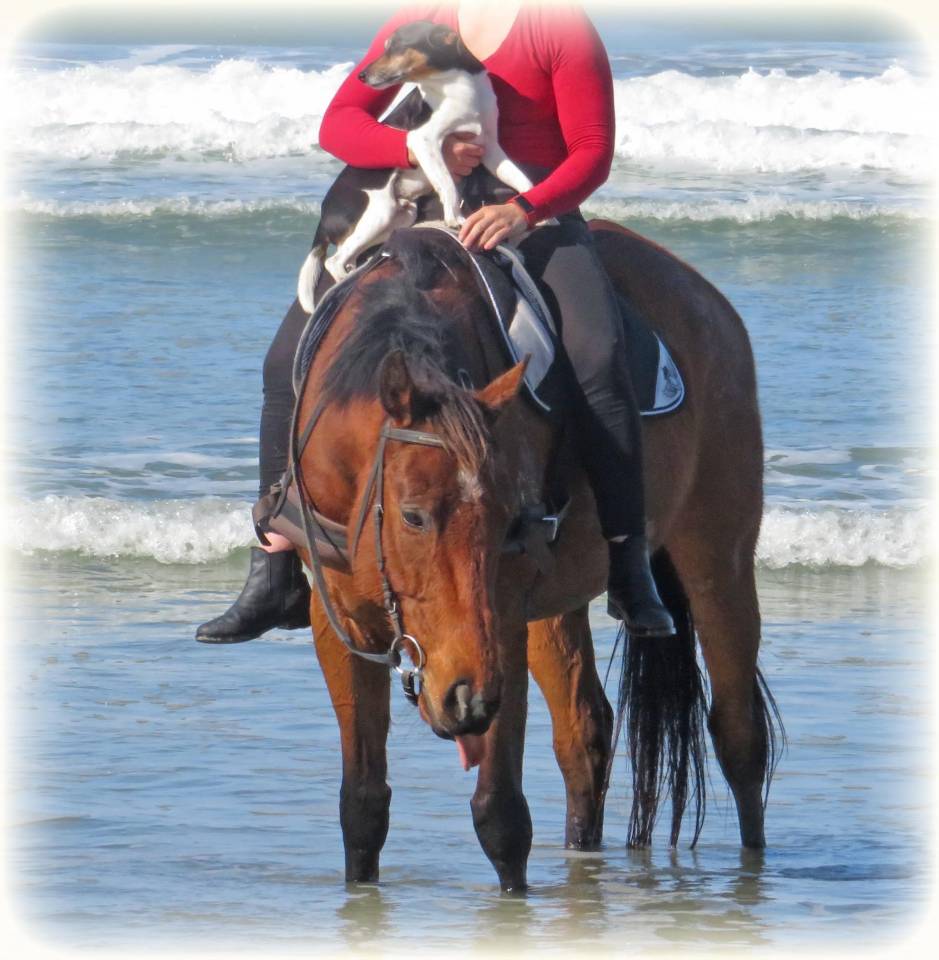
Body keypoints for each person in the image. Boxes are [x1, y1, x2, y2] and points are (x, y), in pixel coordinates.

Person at [196, 0, 674, 644]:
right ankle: (275, 566)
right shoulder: (421, 19)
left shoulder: (559, 26)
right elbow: (339, 123)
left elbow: (592, 151)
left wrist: (526, 211)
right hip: (420, 204)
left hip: (527, 213)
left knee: (595, 355)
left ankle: (626, 561)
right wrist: (421, 151)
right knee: (285, 360)